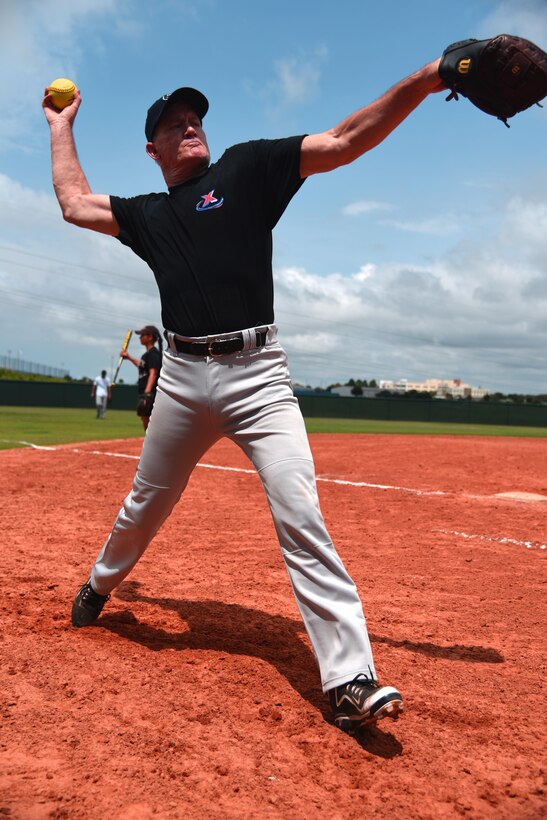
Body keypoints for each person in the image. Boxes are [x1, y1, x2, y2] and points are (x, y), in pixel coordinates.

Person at [43, 58, 446, 733]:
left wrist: (429, 77)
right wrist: (61, 125)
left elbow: (345, 140)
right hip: (182, 379)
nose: (189, 124)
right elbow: (73, 203)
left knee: (299, 512)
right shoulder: (149, 214)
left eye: (193, 115)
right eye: (174, 123)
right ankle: (101, 583)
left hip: (259, 376)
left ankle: (348, 679)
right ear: (153, 150)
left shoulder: (246, 168)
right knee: (146, 503)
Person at [119, 325, 162, 431]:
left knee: (149, 421)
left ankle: (153, 445)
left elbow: (153, 373)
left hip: (150, 393)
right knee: (145, 419)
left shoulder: (153, 354)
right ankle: (151, 445)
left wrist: (147, 393)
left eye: (142, 335)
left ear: (150, 337)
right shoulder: (147, 355)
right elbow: (142, 366)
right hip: (145, 392)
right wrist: (129, 357)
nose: (140, 337)